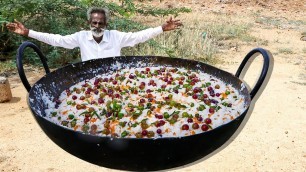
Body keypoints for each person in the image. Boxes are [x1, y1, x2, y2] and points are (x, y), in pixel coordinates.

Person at [6, 7, 183, 62]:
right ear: (89, 23)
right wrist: (28, 32)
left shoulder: (116, 36)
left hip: (114, 79)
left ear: (106, 24)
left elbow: (139, 36)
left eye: (100, 23)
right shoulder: (81, 37)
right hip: (90, 81)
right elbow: (56, 40)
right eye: (94, 22)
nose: (97, 25)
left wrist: (161, 28)